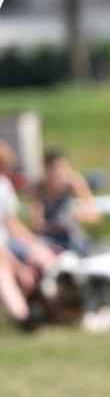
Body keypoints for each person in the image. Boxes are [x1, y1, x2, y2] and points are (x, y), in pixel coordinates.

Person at [0, 139, 59, 329]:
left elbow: (12, 225)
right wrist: (19, 268)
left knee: (44, 256)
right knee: (3, 270)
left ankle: (55, 306)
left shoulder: (4, 185)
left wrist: (39, 243)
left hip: (8, 240)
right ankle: (24, 317)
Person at [28, 145, 101, 255]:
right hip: (48, 238)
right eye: (54, 169)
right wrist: (54, 227)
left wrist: (79, 214)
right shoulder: (38, 189)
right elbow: (36, 225)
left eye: (62, 168)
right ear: (46, 169)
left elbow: (95, 215)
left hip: (71, 236)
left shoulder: (74, 181)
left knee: (82, 245)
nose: (59, 173)